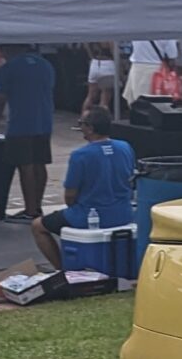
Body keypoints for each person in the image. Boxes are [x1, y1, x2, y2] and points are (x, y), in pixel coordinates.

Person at [33, 105, 134, 272]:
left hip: (89, 216)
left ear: (90, 128)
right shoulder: (125, 147)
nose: (80, 127)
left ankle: (62, 270)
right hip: (123, 213)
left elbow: (70, 196)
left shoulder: (80, 156)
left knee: (38, 226)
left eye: (81, 123)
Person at [0, 42, 59, 222]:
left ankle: (30, 210)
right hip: (44, 121)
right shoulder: (46, 65)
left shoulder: (8, 68)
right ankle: (37, 207)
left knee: (26, 166)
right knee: (40, 163)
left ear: (8, 48)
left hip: (20, 123)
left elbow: (0, 97)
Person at [83, 43, 118, 119]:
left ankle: (83, 119)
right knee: (105, 97)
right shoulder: (109, 36)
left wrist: (91, 57)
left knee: (90, 95)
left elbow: (86, 46)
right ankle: (100, 121)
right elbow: (114, 53)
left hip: (95, 63)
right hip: (108, 64)